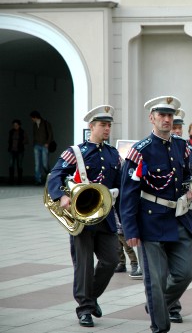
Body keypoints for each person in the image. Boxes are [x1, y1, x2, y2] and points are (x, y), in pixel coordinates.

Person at [119, 96, 192, 333]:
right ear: (152, 118)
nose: (167, 119)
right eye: (162, 115)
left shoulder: (182, 146)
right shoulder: (140, 151)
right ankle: (160, 326)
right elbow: (128, 193)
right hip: (151, 220)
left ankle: (157, 306)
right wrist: (131, 229)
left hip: (179, 217)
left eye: (170, 115)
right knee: (154, 281)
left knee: (186, 272)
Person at [47, 105, 121, 327]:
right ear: (91, 127)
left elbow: (119, 184)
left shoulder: (113, 153)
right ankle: (84, 308)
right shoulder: (75, 151)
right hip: (81, 216)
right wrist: (61, 196)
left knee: (111, 260)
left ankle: (90, 297)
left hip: (104, 215)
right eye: (102, 125)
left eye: (109, 125)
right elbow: (56, 174)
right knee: (85, 265)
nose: (107, 129)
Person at [166, 109, 192, 324]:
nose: (177, 131)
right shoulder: (159, 150)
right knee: (173, 264)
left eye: (179, 128)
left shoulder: (190, 150)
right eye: (174, 128)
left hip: (188, 214)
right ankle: (171, 305)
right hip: (166, 214)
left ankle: (165, 298)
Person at [30, 110, 54, 185]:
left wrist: (47, 143)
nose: (31, 119)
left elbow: (50, 134)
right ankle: (38, 180)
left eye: (32, 118)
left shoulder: (46, 123)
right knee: (37, 164)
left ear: (35, 117)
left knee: (45, 163)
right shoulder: (34, 125)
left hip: (44, 145)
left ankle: (50, 178)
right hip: (37, 145)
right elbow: (34, 135)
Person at [8, 119, 28, 185]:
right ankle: (11, 180)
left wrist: (21, 143)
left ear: (19, 125)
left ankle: (19, 180)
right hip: (12, 150)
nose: (15, 126)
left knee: (19, 165)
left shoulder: (22, 132)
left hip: (19, 151)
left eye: (16, 125)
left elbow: (26, 140)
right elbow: (9, 140)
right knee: (11, 165)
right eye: (14, 125)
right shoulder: (11, 132)